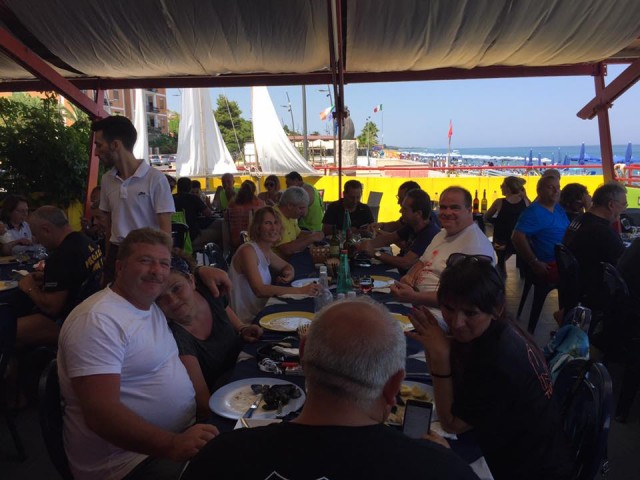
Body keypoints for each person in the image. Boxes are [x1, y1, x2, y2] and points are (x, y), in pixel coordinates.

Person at [181, 297, 478, 480]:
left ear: (303, 354)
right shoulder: (441, 470)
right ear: (394, 386)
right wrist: (440, 458)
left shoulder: (220, 458)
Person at [58, 228, 219, 480]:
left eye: (163, 263)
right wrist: (173, 444)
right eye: (145, 260)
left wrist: (203, 271)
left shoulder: (151, 305)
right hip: (130, 462)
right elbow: (101, 415)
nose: (157, 270)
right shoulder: (97, 320)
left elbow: (186, 286)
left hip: (182, 434)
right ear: (120, 267)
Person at [408, 255, 572, 480]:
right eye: (449, 308)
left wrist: (440, 357)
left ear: (496, 308)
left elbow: (451, 423)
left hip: (523, 468)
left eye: (470, 313)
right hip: (526, 447)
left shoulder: (497, 360)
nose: (457, 322)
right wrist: (437, 344)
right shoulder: (501, 328)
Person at [157, 253, 263, 420]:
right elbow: (205, 404)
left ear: (191, 281)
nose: (173, 300)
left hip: (250, 375)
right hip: (232, 402)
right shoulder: (177, 337)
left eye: (176, 288)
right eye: (160, 298)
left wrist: (243, 330)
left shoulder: (209, 292)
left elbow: (233, 320)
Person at [390, 187, 495, 325]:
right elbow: (421, 262)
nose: (447, 212)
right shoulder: (442, 234)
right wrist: (408, 278)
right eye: (443, 207)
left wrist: (415, 297)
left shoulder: (476, 247)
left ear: (469, 210)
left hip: (441, 319)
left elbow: (462, 298)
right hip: (416, 305)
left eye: (454, 208)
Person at [94, 115, 175, 285]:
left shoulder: (155, 179)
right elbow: (110, 226)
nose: (96, 152)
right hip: (116, 253)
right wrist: (108, 264)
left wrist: (163, 266)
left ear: (115, 145)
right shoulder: (107, 179)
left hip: (147, 255)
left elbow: (165, 231)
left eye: (99, 145)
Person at [16, 206, 103, 347]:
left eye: (36, 234)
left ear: (46, 229)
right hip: (93, 315)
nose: (37, 240)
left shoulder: (61, 256)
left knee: (6, 329)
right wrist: (49, 278)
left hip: (71, 324)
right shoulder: (85, 241)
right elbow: (74, 276)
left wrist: (30, 288)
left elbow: (51, 307)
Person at [228, 206, 320, 322]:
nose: (273, 228)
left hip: (263, 311)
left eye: (276, 223)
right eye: (268, 223)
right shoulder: (248, 251)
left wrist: (289, 272)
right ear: (258, 227)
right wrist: (300, 291)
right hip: (248, 321)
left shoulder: (265, 249)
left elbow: (287, 266)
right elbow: (259, 290)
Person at [563, 182, 626, 310]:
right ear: (611, 205)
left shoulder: (579, 220)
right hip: (597, 294)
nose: (625, 209)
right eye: (624, 204)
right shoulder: (601, 231)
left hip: (576, 290)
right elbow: (624, 265)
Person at [358, 188, 440, 272]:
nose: (400, 211)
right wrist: (363, 245)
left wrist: (375, 253)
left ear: (418, 213)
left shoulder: (429, 233)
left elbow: (406, 263)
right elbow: (389, 238)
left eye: (404, 209)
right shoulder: (412, 225)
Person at [512, 175, 569, 284]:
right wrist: (534, 262)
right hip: (552, 264)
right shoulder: (533, 212)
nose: (556, 191)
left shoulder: (558, 208)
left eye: (558, 187)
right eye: (550, 187)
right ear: (539, 191)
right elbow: (517, 237)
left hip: (565, 260)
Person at [484, 176, 529, 276]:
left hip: (501, 240)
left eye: (502, 186)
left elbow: (486, 217)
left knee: (499, 244)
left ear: (508, 188)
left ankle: (500, 268)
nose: (501, 187)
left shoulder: (499, 202)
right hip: (519, 241)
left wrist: (496, 222)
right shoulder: (525, 202)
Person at [273, 187, 324, 257]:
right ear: (290, 205)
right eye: (301, 208)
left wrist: (313, 234)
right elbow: (286, 249)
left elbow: (298, 233)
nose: (304, 213)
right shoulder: (274, 218)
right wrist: (311, 238)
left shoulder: (291, 215)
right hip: (277, 262)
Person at [172, 176, 213, 248]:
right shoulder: (194, 198)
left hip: (175, 237)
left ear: (178, 187)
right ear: (190, 188)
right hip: (192, 236)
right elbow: (209, 214)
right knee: (220, 228)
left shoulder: (171, 198)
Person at [226, 180, 265, 250]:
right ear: (253, 191)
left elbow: (226, 218)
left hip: (234, 241)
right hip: (253, 241)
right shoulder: (259, 204)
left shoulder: (232, 204)